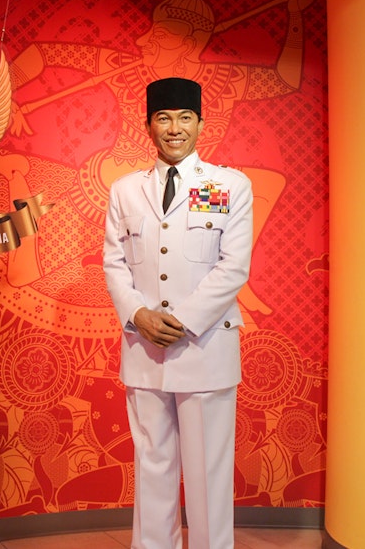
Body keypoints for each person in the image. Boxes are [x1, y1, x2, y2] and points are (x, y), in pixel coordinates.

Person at [103, 77, 253, 549]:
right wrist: (138, 314)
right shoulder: (125, 190)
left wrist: (182, 321)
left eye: (184, 118)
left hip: (205, 347)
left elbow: (234, 266)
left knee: (208, 473)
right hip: (144, 348)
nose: (174, 128)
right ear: (148, 125)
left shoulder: (229, 185)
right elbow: (114, 261)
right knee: (153, 466)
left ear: (200, 124)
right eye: (163, 118)